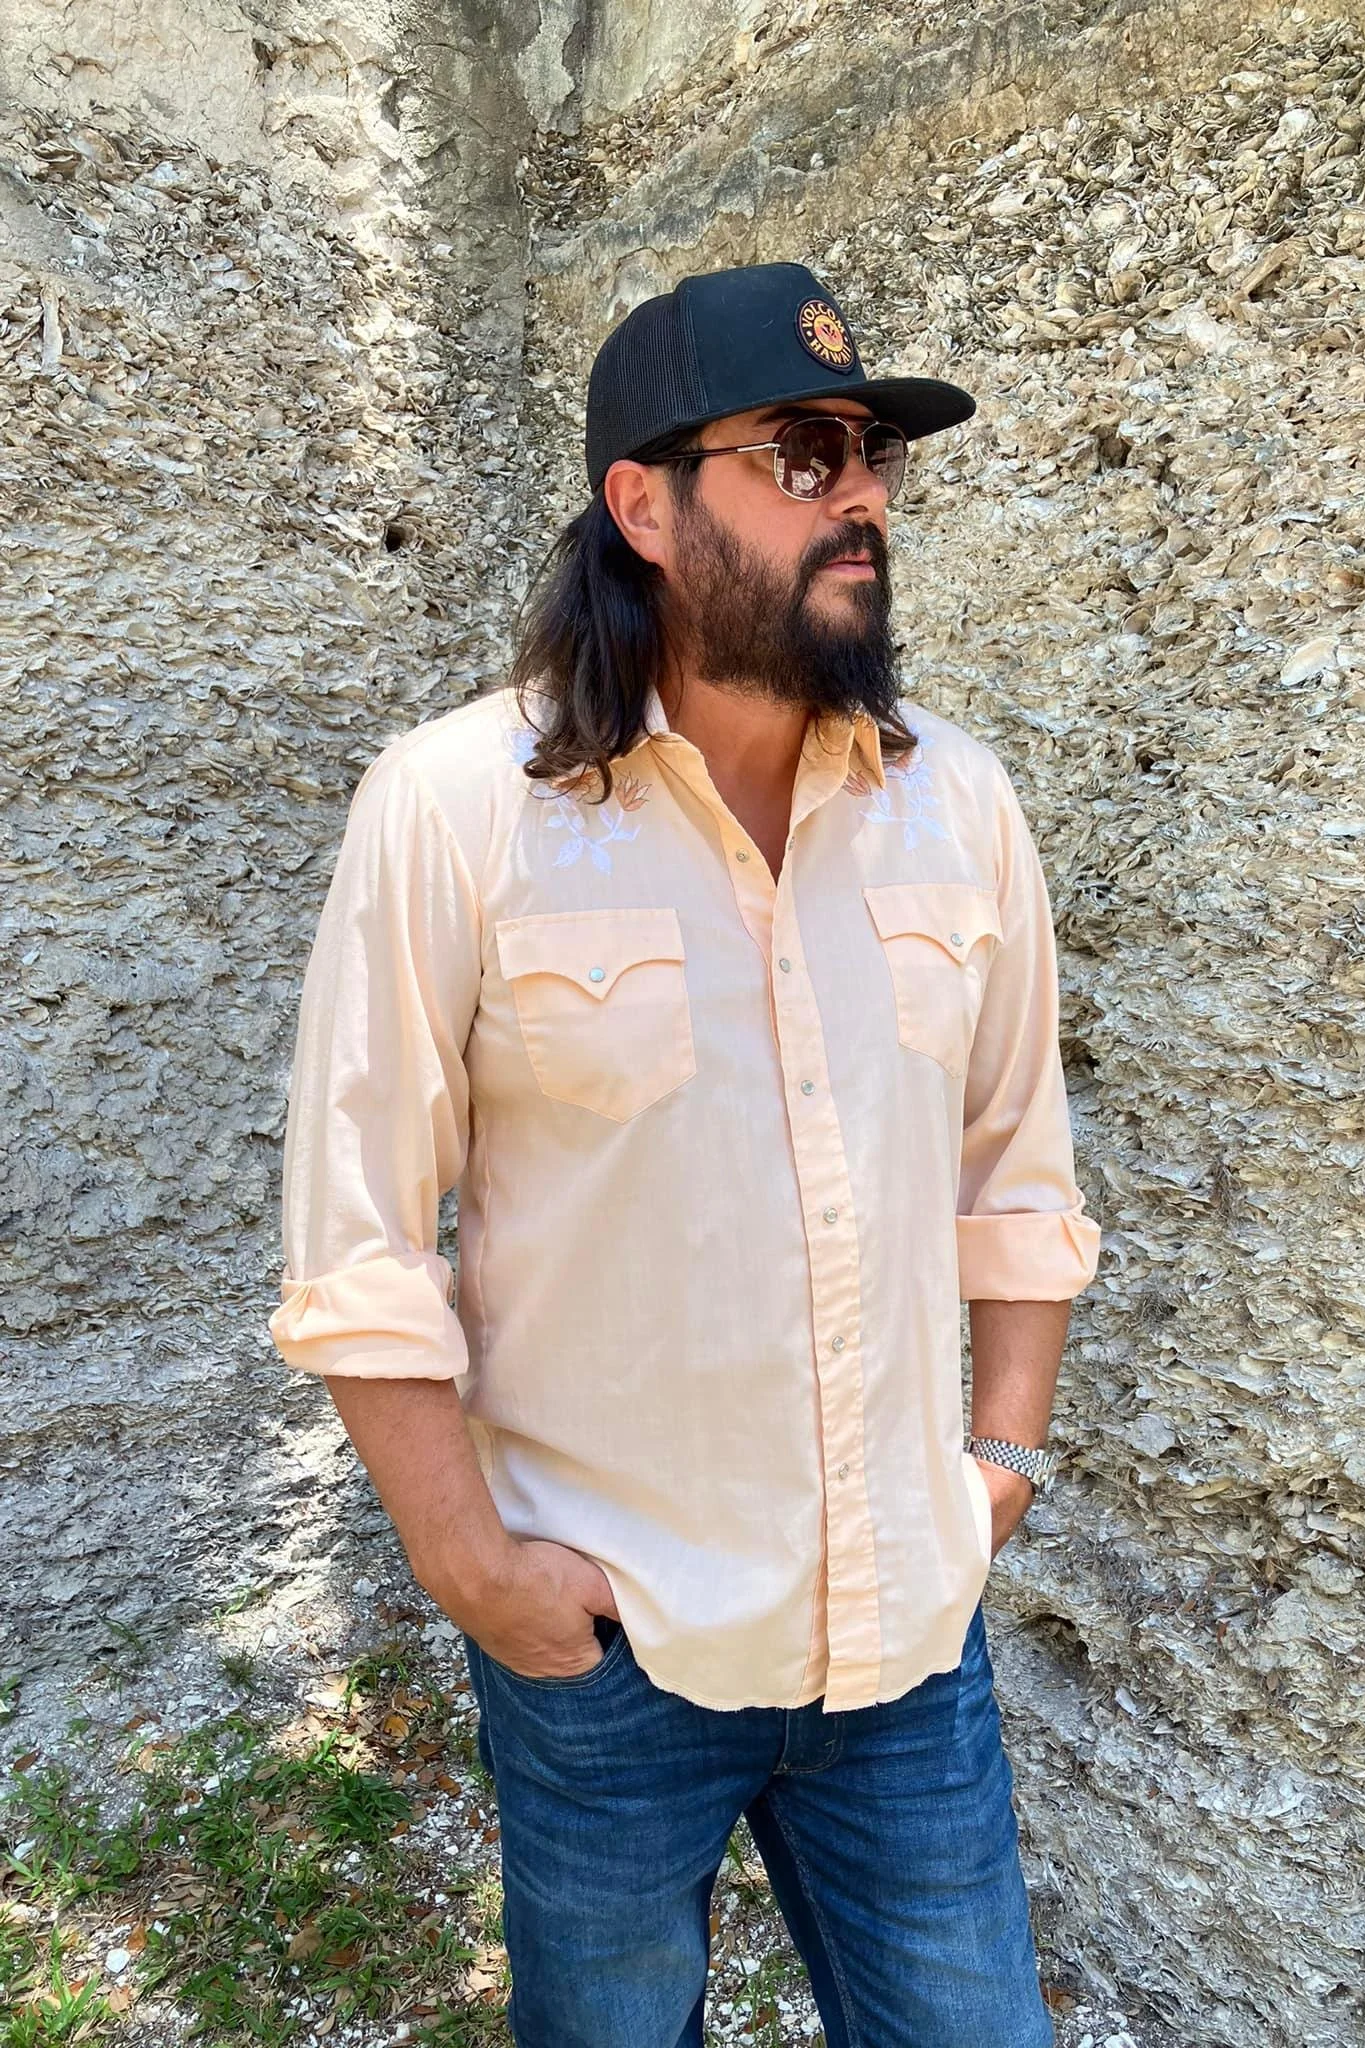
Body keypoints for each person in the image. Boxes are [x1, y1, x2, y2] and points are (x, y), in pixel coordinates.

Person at [268, 260, 1101, 2048]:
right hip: (609, 1647)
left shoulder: (959, 801)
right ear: (642, 504)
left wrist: (1000, 1464)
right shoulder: (456, 809)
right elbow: (355, 1236)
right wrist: (471, 1565)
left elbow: (1017, 1170)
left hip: (906, 1633)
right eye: (803, 453)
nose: (863, 494)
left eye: (873, 453)